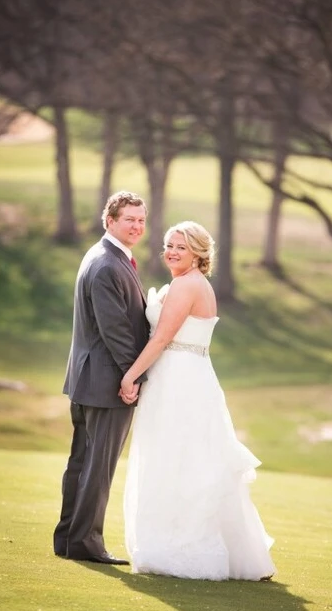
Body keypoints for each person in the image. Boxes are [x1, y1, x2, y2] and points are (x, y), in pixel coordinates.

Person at [120, 221, 276, 581]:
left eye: (181, 247)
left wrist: (129, 375)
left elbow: (161, 339)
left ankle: (179, 548)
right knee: (186, 458)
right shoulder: (192, 283)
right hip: (187, 376)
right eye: (169, 245)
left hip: (179, 381)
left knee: (177, 459)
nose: (172, 252)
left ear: (198, 254)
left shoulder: (187, 285)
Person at [53, 191, 150, 565]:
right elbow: (116, 332)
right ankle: (86, 543)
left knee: (82, 462)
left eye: (141, 220)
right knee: (97, 466)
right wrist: (133, 377)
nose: (137, 226)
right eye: (129, 219)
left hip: (88, 379)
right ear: (109, 221)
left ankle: (68, 539)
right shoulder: (108, 264)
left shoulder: (103, 256)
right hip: (107, 383)